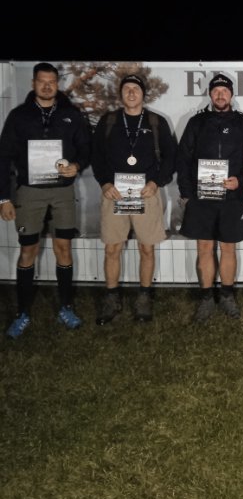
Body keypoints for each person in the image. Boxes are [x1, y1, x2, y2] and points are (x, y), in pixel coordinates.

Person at [0, 61, 92, 338]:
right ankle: (22, 313)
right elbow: (3, 158)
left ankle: (66, 307)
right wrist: (3, 198)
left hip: (63, 192)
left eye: (52, 81)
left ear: (57, 84)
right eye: (42, 81)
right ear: (33, 83)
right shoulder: (18, 116)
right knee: (28, 251)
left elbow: (86, 149)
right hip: (29, 192)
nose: (47, 86)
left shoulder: (71, 115)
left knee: (63, 248)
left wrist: (77, 165)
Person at [91, 73, 177, 324]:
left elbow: (171, 157)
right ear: (120, 94)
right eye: (126, 88)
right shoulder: (108, 121)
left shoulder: (156, 122)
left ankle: (144, 297)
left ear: (143, 94)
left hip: (146, 193)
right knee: (112, 248)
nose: (131, 92)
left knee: (146, 248)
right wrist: (104, 183)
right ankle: (111, 297)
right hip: (114, 193)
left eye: (135, 89)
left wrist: (156, 182)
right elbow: (96, 155)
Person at [176, 73, 243, 323]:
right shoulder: (197, 123)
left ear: (231, 94)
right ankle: (206, 298)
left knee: (228, 247)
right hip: (201, 198)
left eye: (224, 91)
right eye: (216, 91)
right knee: (204, 247)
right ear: (210, 95)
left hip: (231, 197)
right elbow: (183, 159)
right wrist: (186, 194)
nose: (220, 95)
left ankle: (227, 295)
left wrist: (240, 181)